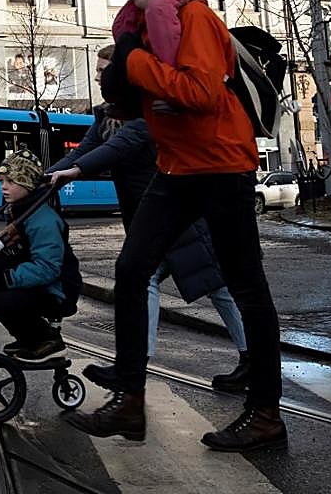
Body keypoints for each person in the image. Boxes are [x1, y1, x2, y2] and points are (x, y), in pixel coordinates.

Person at [61, 0, 285, 452]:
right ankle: (130, 401)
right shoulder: (139, 25)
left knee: (244, 285)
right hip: (176, 165)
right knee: (132, 267)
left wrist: (136, 65)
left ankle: (267, 413)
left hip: (221, 164)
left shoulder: (193, 18)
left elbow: (202, 93)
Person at [47, 44, 250, 392]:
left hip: (178, 214)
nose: (98, 77)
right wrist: (43, 177)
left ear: (122, 76)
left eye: (103, 71)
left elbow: (120, 146)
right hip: (151, 218)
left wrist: (76, 171)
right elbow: (87, 149)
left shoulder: (147, 112)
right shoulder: (105, 115)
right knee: (183, 284)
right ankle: (139, 362)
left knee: (214, 287)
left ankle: (245, 359)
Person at [0, 150, 70, 363]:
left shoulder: (43, 220)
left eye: (11, 181)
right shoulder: (21, 211)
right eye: (1, 181)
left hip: (55, 289)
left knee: (3, 301)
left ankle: (46, 340)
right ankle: (30, 338)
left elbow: (48, 267)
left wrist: (8, 278)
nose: (3, 186)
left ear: (27, 184)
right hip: (38, 282)